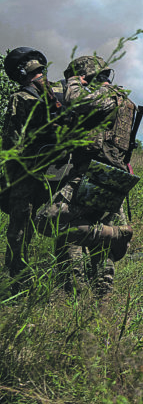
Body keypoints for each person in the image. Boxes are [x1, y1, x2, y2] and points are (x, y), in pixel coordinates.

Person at [35, 55, 137, 295]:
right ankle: (102, 286)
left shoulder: (106, 96)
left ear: (88, 77)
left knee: (48, 219)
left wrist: (73, 81)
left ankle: (117, 236)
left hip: (94, 173)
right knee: (99, 224)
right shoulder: (125, 101)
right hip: (115, 174)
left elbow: (74, 100)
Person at [1, 47, 70, 292]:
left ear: (20, 72)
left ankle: (17, 284)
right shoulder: (62, 92)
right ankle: (68, 276)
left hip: (27, 174)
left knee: (19, 230)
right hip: (61, 172)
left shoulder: (21, 97)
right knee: (65, 223)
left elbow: (10, 142)